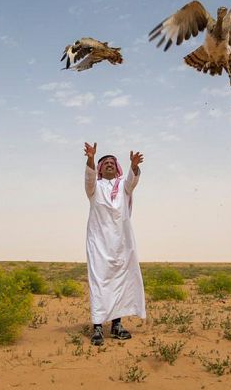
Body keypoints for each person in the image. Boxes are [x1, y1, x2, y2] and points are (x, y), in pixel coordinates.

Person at [83, 142, 146, 346]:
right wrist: (91, 158)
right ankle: (98, 328)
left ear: (116, 167)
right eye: (105, 163)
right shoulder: (94, 188)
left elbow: (132, 180)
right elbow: (89, 177)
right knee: (100, 284)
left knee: (120, 284)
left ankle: (117, 325)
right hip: (99, 245)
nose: (109, 164)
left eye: (112, 162)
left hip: (122, 245)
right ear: (100, 169)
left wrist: (134, 166)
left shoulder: (123, 187)